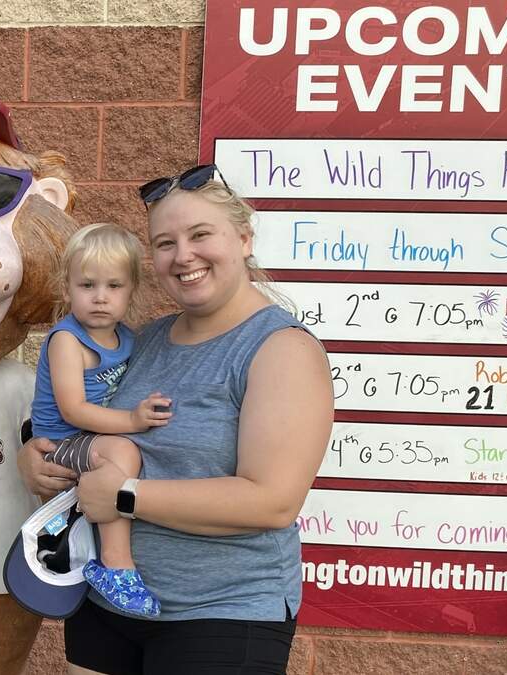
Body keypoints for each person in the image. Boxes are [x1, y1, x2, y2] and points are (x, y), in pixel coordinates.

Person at [17, 165, 334, 674]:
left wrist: (125, 497)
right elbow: (89, 429)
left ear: (244, 239)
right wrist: (38, 458)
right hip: (108, 606)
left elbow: (272, 501)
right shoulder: (142, 340)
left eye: (200, 235)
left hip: (222, 612)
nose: (183, 256)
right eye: (165, 243)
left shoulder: (280, 349)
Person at [29, 223, 171, 617]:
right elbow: (73, 410)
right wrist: (134, 420)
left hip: (90, 439)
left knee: (122, 453)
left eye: (114, 286)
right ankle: (115, 564)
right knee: (122, 453)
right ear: (66, 289)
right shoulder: (67, 340)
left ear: (131, 290)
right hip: (61, 442)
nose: (100, 297)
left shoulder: (128, 338)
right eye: (87, 285)